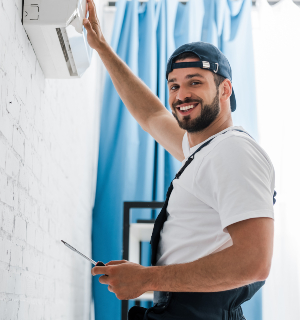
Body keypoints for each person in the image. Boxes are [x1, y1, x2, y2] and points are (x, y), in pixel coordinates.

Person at [84, 0, 275, 319]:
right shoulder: (205, 149)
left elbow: (254, 262)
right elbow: (151, 114)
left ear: (225, 89)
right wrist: (102, 47)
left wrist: (146, 278)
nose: (180, 95)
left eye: (195, 82)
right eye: (174, 85)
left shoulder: (233, 151)